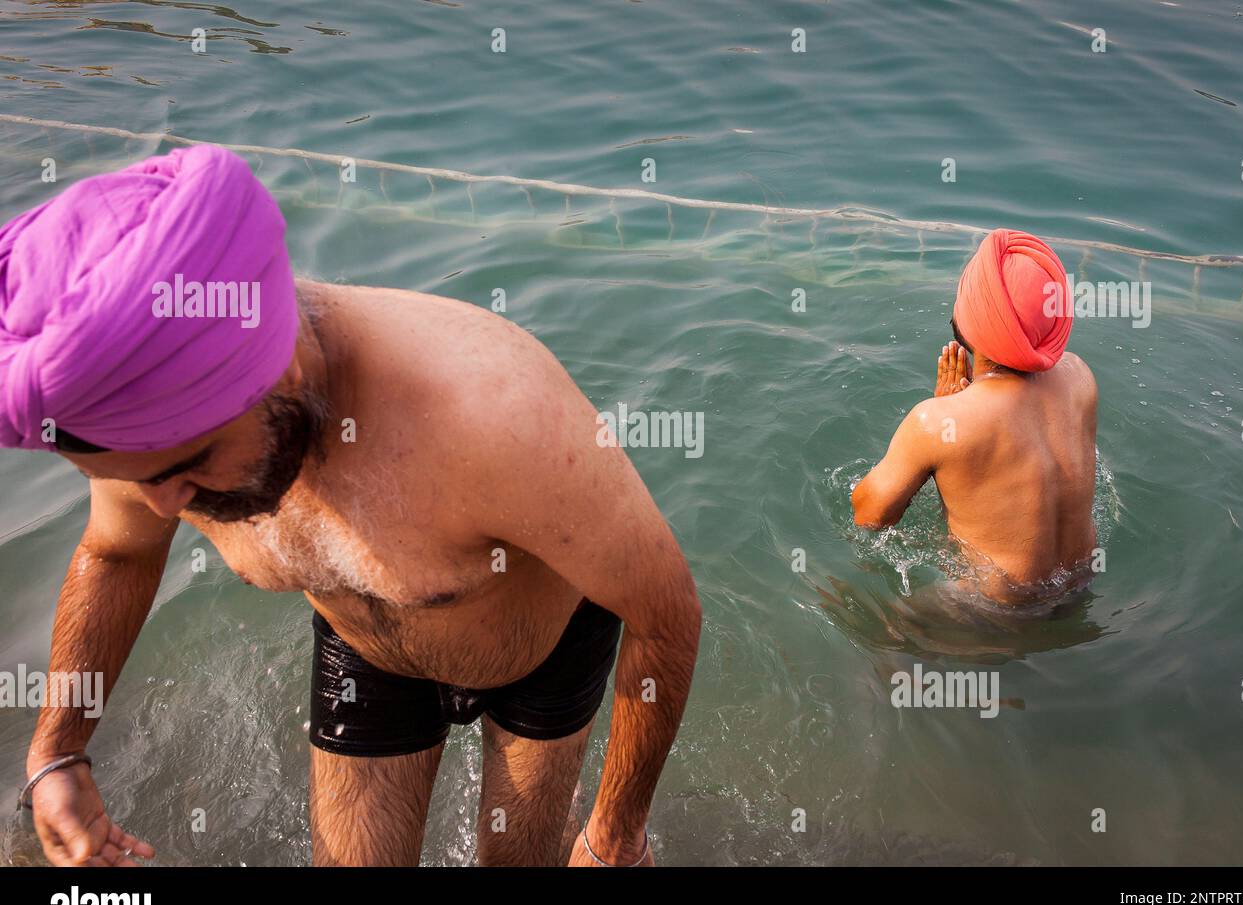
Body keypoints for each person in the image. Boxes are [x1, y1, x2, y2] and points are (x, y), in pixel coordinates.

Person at [1, 144, 701, 867]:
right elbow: (116, 555)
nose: (164, 503)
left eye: (189, 467)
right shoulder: (152, 436)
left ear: (282, 369)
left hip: (541, 650)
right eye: (140, 478)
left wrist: (616, 835)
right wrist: (58, 752)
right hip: (365, 644)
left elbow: (666, 611)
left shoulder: (492, 413)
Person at [851, 229, 1098, 604]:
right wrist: (959, 419)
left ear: (976, 315)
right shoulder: (1081, 378)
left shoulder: (934, 423)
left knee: (852, 618)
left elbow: (869, 515)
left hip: (987, 609)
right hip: (1079, 588)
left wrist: (944, 420)